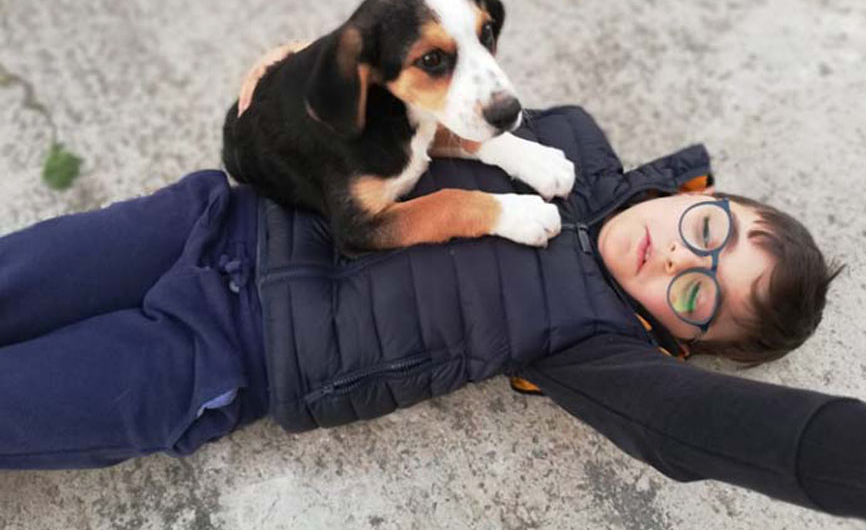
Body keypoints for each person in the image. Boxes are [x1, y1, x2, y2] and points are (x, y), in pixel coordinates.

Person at [0, 105, 863, 520]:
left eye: (695, 296)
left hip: (224, 354)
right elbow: (407, 96)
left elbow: (702, 425)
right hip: (217, 217)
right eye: (707, 231)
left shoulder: (598, 345)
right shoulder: (566, 142)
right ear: (694, 196)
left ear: (677, 337)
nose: (677, 257)